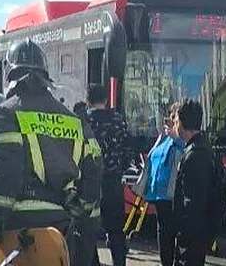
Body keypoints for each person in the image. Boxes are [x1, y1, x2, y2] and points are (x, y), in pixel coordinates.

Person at [0, 39, 103, 265]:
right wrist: (83, 218)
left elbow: (6, 175)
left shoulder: (6, 113)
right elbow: (94, 168)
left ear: (11, 76)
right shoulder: (72, 119)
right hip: (63, 233)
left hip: (22, 234)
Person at [85, 83, 133, 266]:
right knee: (116, 230)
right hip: (113, 182)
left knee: (88, 230)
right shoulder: (118, 120)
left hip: (89, 184)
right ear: (106, 99)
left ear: (88, 100)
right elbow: (128, 151)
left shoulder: (82, 121)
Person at [133, 103, 185, 266]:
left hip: (173, 193)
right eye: (171, 116)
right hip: (159, 193)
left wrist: (175, 138)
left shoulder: (182, 139)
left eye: (175, 117)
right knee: (164, 233)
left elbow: (185, 153)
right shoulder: (165, 137)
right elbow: (154, 155)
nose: (172, 120)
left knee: (172, 233)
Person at [172, 99, 214, 266]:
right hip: (198, 233)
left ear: (182, 123)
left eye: (175, 121)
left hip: (192, 236)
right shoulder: (203, 147)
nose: (174, 125)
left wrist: (183, 236)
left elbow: (193, 203)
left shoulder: (194, 156)